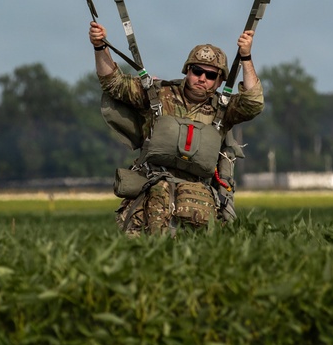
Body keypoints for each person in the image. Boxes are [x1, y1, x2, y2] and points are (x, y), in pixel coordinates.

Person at [89, 21, 263, 234]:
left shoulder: (223, 109)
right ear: (187, 71)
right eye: (197, 71)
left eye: (210, 75)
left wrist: (246, 57)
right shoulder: (158, 94)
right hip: (149, 193)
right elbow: (113, 83)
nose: (202, 78)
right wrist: (100, 46)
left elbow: (254, 103)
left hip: (197, 201)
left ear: (219, 81)